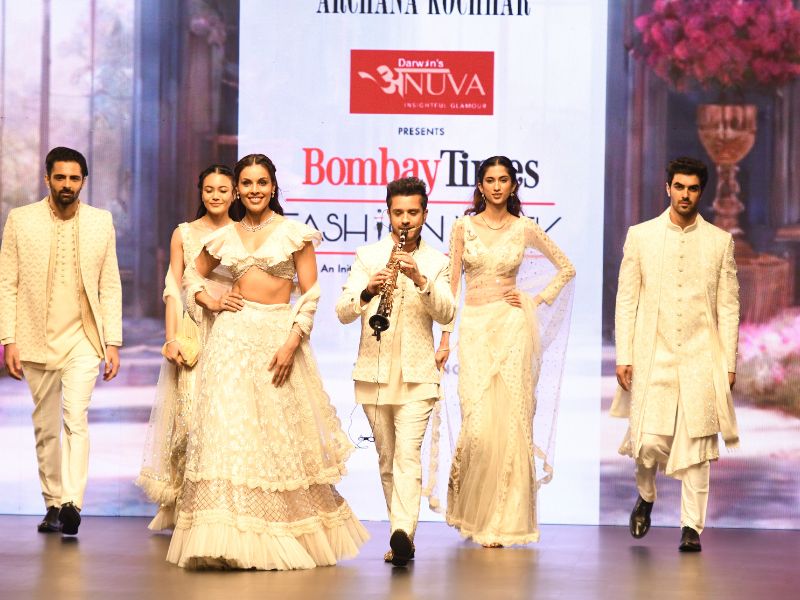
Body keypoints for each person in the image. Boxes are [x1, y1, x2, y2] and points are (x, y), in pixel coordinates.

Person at [167, 153, 368, 570]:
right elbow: (189, 275)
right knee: (228, 434)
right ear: (238, 190)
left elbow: (310, 295)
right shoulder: (225, 236)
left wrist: (292, 342)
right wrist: (210, 300)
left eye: (261, 182)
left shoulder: (294, 233)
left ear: (273, 186)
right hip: (231, 340)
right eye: (247, 183)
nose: (254, 189)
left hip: (278, 339)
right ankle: (224, 538)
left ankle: (275, 533)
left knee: (276, 439)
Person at [439, 155, 575, 547]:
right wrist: (445, 337)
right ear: (480, 186)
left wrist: (534, 299)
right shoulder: (463, 227)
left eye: (503, 180)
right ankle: (474, 514)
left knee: (512, 420)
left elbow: (566, 268)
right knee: (478, 425)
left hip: (512, 328)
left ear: (513, 185)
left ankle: (501, 519)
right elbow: (451, 287)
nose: (497, 186)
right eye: (490, 180)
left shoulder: (524, 227)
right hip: (475, 329)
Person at [612, 156, 740, 553]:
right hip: (654, 352)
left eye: (693, 188)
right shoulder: (641, 236)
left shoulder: (719, 242)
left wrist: (729, 363)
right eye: (679, 187)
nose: (685, 195)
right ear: (667, 188)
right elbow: (627, 299)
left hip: (702, 356)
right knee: (648, 442)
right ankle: (646, 495)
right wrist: (624, 354)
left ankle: (691, 527)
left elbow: (728, 306)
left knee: (698, 446)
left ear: (702, 192)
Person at [0, 146, 122, 536]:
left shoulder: (101, 222)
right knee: (46, 426)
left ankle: (71, 502)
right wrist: (9, 339)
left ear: (83, 181)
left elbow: (109, 285)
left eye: (74, 178)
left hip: (83, 337)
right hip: (35, 337)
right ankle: (52, 503)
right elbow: (7, 283)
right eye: (60, 177)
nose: (67, 184)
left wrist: (113, 342)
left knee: (75, 418)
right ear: (47, 179)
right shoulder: (20, 220)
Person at [335, 177, 455, 567]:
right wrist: (368, 291)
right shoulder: (368, 256)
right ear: (388, 213)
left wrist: (420, 279)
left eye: (413, 213)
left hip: (418, 376)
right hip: (374, 372)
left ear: (425, 213)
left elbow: (448, 312)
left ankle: (403, 532)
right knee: (387, 460)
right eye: (399, 212)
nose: (406, 220)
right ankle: (399, 536)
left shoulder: (437, 262)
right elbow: (343, 311)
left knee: (407, 455)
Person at [136, 164, 240, 530]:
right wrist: (171, 338)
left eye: (223, 189)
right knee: (188, 420)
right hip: (193, 331)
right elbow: (173, 287)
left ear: (234, 194)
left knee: (226, 420)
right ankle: (184, 506)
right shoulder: (183, 233)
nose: (216, 195)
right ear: (201, 192)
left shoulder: (242, 233)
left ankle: (218, 508)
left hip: (231, 331)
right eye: (209, 189)